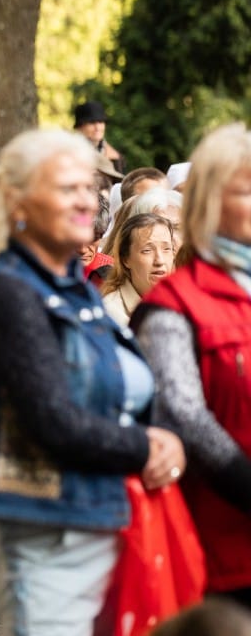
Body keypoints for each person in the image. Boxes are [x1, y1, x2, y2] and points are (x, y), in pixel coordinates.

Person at [0, 128, 185, 636]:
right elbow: (51, 417)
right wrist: (149, 444)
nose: (87, 200)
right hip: (48, 528)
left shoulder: (74, 287)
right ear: (20, 201)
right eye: (68, 189)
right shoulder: (11, 292)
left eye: (89, 187)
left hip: (101, 515)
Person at [133, 123, 251, 611]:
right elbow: (184, 416)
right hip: (220, 560)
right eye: (247, 190)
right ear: (209, 204)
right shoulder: (173, 305)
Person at [100, 212, 175, 327]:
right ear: (125, 259)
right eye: (147, 250)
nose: (160, 261)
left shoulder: (180, 302)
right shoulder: (110, 313)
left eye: (166, 249)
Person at [74, 100, 126, 175]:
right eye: (91, 122)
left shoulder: (115, 157)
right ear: (79, 127)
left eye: (101, 122)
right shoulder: (69, 155)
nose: (97, 128)